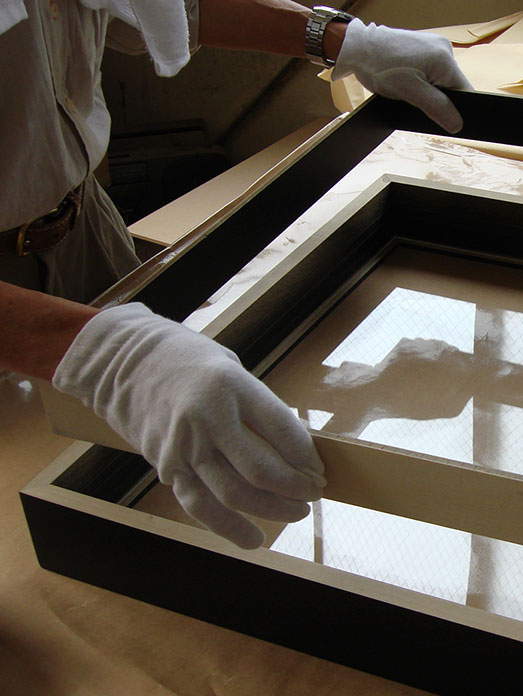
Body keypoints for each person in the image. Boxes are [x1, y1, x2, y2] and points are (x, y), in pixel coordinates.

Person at [0, 0, 471, 549]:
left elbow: (165, 5)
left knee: (165, 428)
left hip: (80, 219)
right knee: (25, 483)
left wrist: (341, 38)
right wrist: (108, 356)